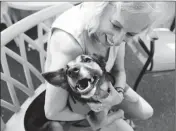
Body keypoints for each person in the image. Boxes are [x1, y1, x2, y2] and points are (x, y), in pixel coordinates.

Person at [44, 2, 161, 131]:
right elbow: (51, 113)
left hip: (103, 81)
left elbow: (119, 71)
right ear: (99, 7)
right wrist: (94, 117)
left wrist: (118, 95)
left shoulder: (124, 22)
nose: (117, 41)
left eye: (130, 34)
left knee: (147, 112)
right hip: (76, 100)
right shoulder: (70, 44)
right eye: (116, 26)